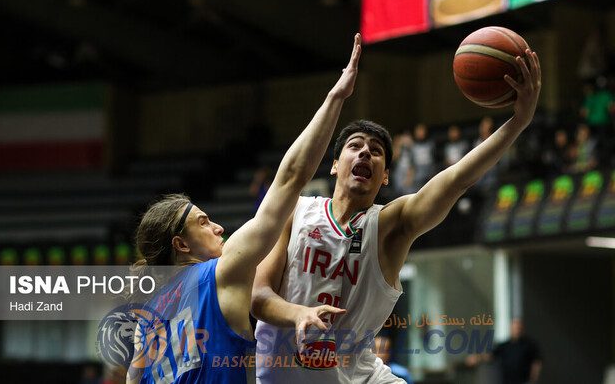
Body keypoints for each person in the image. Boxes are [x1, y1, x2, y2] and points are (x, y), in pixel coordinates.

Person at [252, 49, 541, 383]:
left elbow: (458, 179)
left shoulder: (390, 225)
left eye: (376, 152)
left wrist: (518, 122)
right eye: (355, 145)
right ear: (334, 165)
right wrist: (298, 313)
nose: (365, 152)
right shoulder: (295, 210)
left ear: (386, 176)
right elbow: (259, 297)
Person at [126, 34, 362, 383]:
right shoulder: (222, 272)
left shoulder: (147, 319)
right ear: (181, 244)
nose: (219, 227)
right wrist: (335, 98)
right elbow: (291, 178)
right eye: (203, 222)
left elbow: (133, 379)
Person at [492, 319, 542, 384]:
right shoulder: (504, 346)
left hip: (524, 381)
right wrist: (478, 358)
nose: (517, 330)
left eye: (518, 328)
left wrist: (533, 379)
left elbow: (537, 362)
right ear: (511, 329)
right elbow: (491, 355)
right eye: (515, 328)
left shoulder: (529, 345)